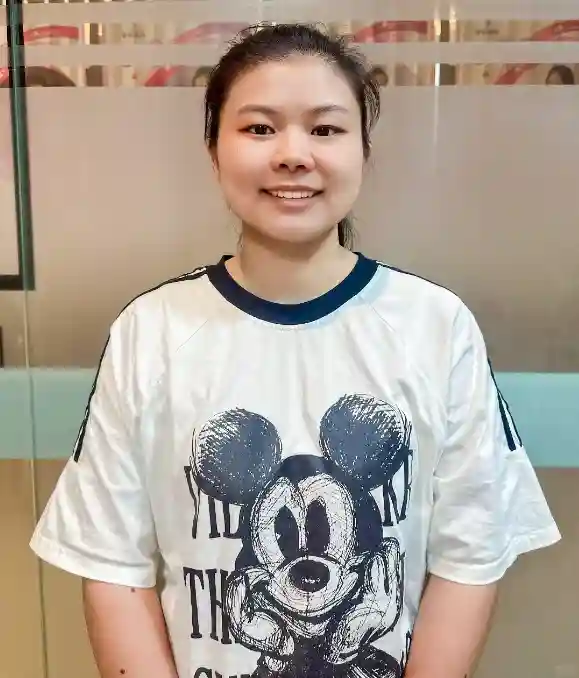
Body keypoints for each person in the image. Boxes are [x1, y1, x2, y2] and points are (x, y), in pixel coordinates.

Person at [30, 23, 560, 678]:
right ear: (213, 149)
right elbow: (114, 567)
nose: (292, 154)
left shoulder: (435, 326)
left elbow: (469, 557)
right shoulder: (151, 332)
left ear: (363, 150)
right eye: (259, 128)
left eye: (325, 128)